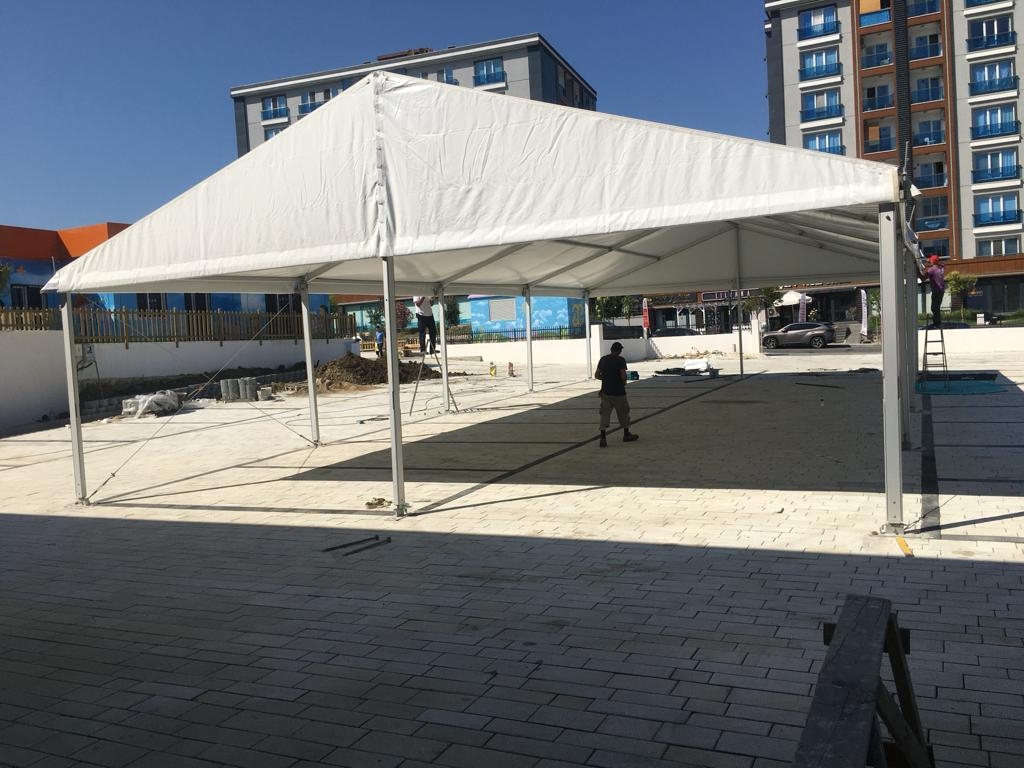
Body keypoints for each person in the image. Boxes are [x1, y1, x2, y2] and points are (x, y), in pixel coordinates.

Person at [595, 341, 639, 447]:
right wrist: (623, 382)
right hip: (619, 393)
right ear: (619, 351)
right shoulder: (620, 360)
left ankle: (603, 438)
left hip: (606, 392)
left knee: (604, 415)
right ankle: (626, 434)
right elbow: (623, 375)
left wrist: (606, 379)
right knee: (623, 413)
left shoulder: (603, 359)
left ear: (611, 350)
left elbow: (596, 375)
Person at [920, 254, 946, 329]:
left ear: (933, 261)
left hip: (936, 291)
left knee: (934, 308)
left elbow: (923, 278)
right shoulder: (941, 268)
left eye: (930, 260)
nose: (929, 261)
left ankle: (937, 324)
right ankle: (937, 323)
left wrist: (917, 270)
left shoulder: (932, 270)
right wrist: (930, 261)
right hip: (941, 291)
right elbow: (940, 264)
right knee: (936, 307)